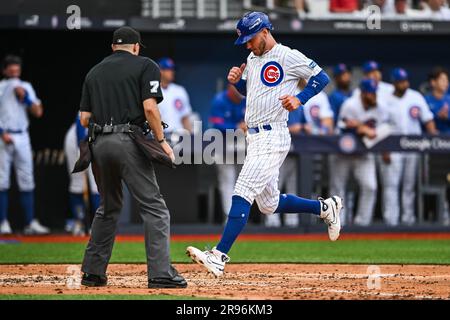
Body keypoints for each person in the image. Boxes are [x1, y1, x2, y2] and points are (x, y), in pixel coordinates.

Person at [186, 12, 343, 277]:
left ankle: (219, 255)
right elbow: (254, 93)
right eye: (245, 41)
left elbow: (321, 77)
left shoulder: (287, 55)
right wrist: (238, 84)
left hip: (273, 135)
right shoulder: (251, 58)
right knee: (268, 204)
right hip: (255, 137)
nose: (247, 45)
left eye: (251, 39)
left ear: (265, 32)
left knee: (243, 189)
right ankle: (323, 208)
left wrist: (301, 99)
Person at [78, 26, 186, 288]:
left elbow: (84, 119)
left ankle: (93, 272)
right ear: (136, 47)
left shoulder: (94, 71)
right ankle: (160, 274)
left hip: (98, 143)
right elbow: (150, 107)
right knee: (154, 207)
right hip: (126, 140)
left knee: (108, 206)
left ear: (113, 46)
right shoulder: (145, 65)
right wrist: (161, 142)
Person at [379, 68, 438, 226]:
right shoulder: (385, 99)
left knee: (409, 185)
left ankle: (408, 219)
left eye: (405, 81)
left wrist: (435, 136)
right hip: (393, 146)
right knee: (391, 185)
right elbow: (381, 127)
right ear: (394, 83)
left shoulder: (416, 96)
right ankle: (391, 221)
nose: (404, 84)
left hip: (413, 145)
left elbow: (428, 119)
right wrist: (384, 149)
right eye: (400, 81)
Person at [0, 55, 49, 235]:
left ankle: (29, 223)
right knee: (2, 180)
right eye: (11, 71)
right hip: (4, 135)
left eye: (17, 71)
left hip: (22, 135)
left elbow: (38, 112)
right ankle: (3, 222)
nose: (14, 74)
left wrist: (26, 97)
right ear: (5, 71)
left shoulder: (26, 86)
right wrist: (1, 132)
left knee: (27, 179)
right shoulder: (1, 87)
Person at [330, 79, 385, 227]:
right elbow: (340, 128)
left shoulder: (379, 107)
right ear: (362, 93)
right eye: (369, 93)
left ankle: (362, 223)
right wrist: (358, 128)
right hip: (342, 153)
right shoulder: (350, 105)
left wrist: (363, 128)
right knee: (338, 187)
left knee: (370, 186)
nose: (373, 96)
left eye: (374, 93)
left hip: (363, 154)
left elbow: (383, 129)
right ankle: (338, 222)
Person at [209, 84, 246, 219]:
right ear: (230, 88)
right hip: (223, 145)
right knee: (228, 180)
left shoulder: (245, 99)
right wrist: (237, 127)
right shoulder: (219, 100)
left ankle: (242, 216)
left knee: (243, 182)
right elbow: (217, 125)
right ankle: (230, 217)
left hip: (242, 146)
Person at [63, 114, 100, 235]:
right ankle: (79, 222)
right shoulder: (95, 97)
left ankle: (97, 225)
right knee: (78, 183)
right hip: (77, 140)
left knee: (97, 184)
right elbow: (80, 120)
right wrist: (81, 148)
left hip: (95, 140)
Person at [157, 57, 193, 140]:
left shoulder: (180, 90)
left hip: (179, 135)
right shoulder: (152, 91)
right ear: (160, 71)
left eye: (172, 69)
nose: (172, 72)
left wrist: (191, 137)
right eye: (168, 69)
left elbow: (185, 117)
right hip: (161, 136)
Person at [425, 67, 450, 134]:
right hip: (430, 140)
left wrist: (447, 117)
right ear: (433, 82)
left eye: (447, 81)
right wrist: (437, 116)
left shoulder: (449, 99)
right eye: (443, 80)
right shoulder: (425, 100)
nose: (446, 83)